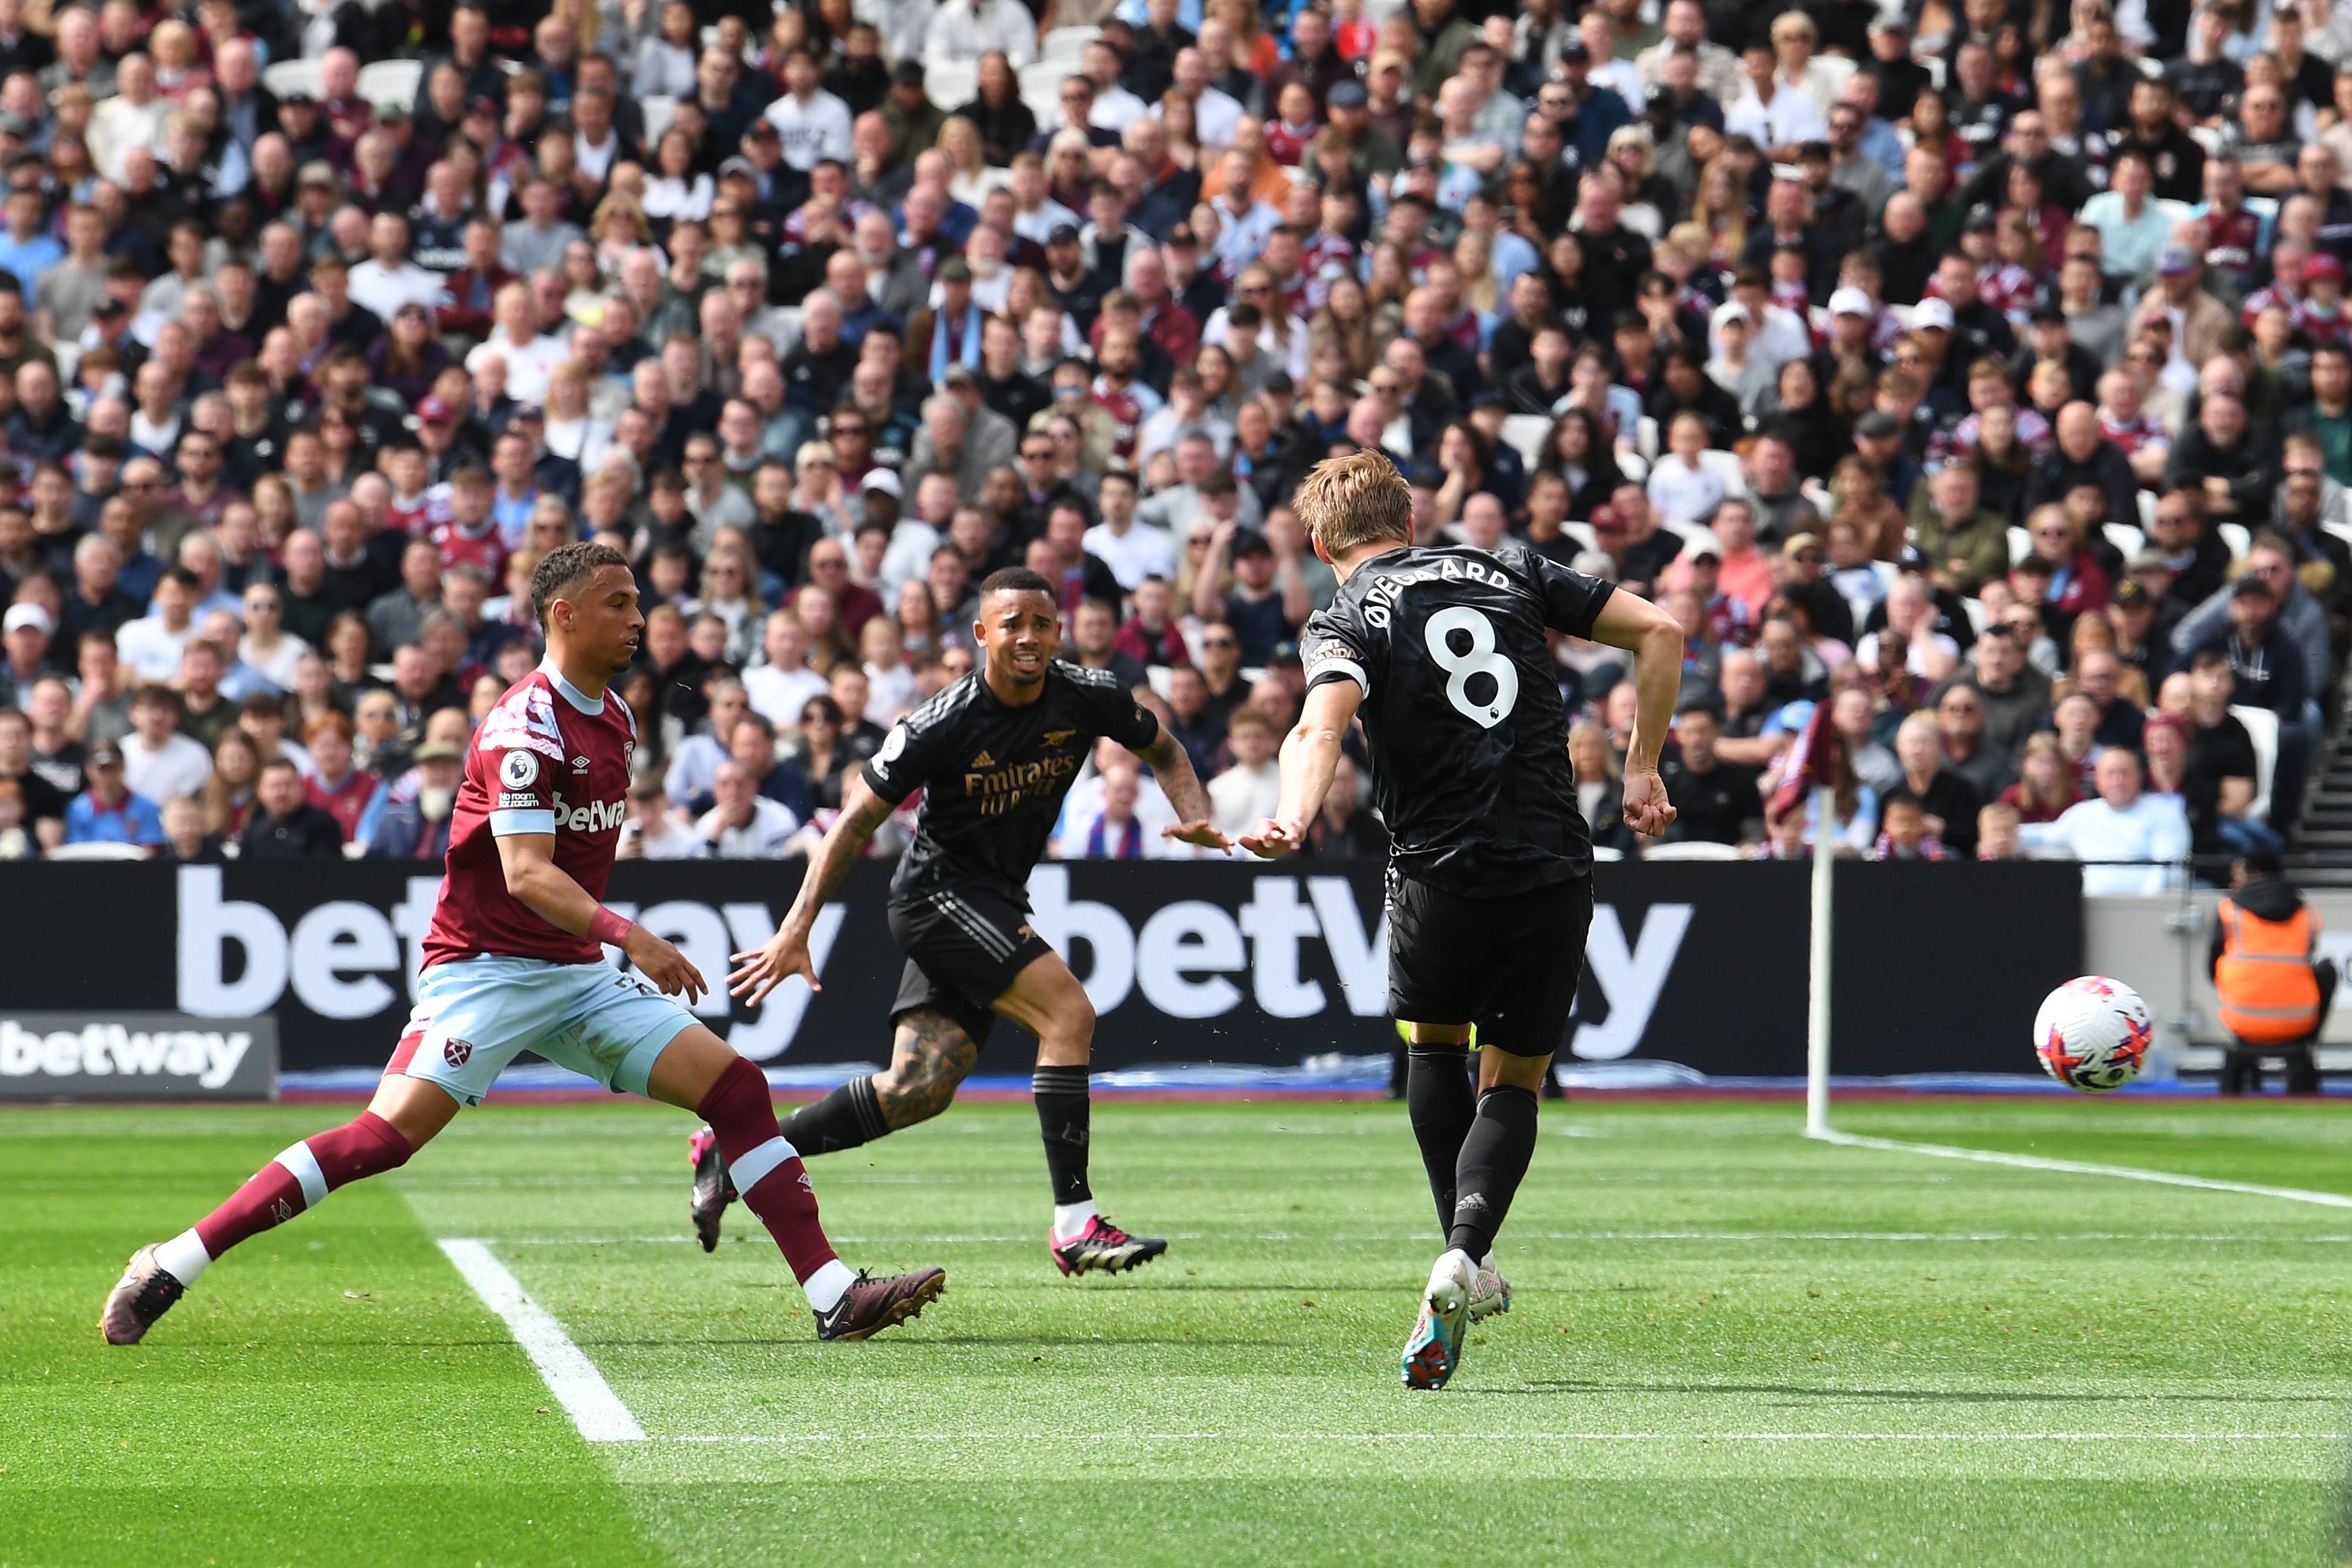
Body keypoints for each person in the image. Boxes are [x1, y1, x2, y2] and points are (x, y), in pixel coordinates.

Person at [103, 544, 944, 1349]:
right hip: (485, 971)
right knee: (382, 1138)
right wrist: (633, 937)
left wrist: (605, 942)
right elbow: (526, 875)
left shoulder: (614, 715)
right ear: (563, 614)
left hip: (573, 973)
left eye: (639, 602)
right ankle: (173, 1260)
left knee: (736, 1087)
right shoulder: (523, 727)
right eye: (619, 604)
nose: (637, 618)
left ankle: (834, 1296)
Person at [1236, 449, 1682, 1390]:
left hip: (1436, 871)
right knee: (1515, 1081)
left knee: (1433, 1048)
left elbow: (1321, 725)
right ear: (1409, 518)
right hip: (1550, 862)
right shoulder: (1510, 566)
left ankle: (1457, 1255)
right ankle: (1466, 1253)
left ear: (1319, 542)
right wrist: (1640, 767)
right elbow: (1662, 632)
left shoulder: (1344, 612)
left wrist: (1294, 815)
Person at [713, 567, 1226, 1275]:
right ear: (983, 633)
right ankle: (1075, 1224)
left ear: (1058, 632)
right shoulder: (940, 721)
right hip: (937, 896)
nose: (1028, 637)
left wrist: (1194, 814)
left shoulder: (1090, 695)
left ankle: (737, 1151)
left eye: (1041, 624)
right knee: (1068, 1014)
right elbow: (855, 822)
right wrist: (797, 926)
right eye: (1011, 623)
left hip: (994, 899)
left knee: (918, 1088)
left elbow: (1163, 748)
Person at [2209, 850, 2334, 1095]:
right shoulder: (2307, 911)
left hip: (2240, 1018)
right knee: (2326, 970)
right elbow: (2308, 957)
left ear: (2252, 872)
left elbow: (2211, 966)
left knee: (2227, 966)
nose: (2234, 880)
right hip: (2298, 1021)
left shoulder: (2229, 910)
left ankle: (2237, 1083)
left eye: (2238, 873)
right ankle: (2307, 1055)